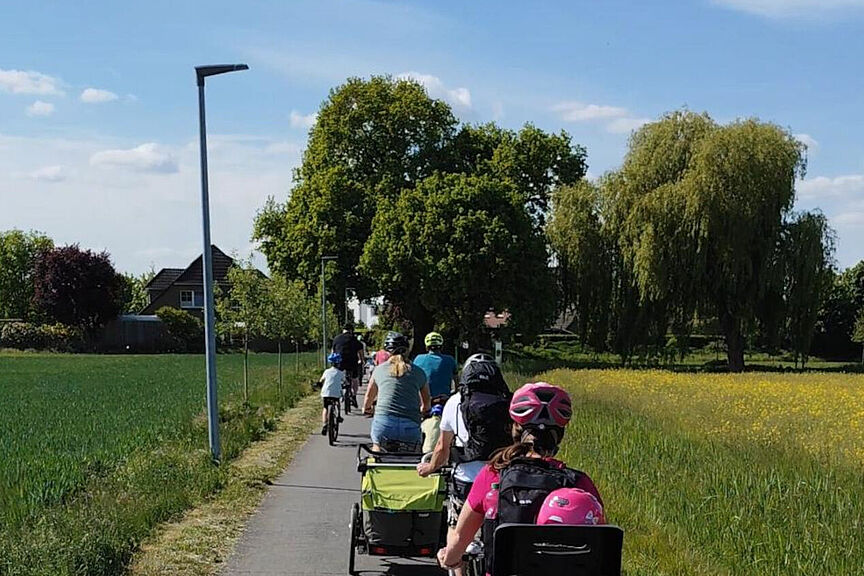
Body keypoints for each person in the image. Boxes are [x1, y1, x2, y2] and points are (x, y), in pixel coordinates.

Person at [436, 382, 603, 574]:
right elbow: (601, 548)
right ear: (560, 434)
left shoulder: (493, 475)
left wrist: (449, 558)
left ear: (515, 428)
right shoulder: (579, 483)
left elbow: (459, 539)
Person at [363, 331, 431, 452]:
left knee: (377, 449)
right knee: (414, 454)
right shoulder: (419, 372)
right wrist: (422, 411)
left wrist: (367, 409)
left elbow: (369, 397)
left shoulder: (379, 370)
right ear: (407, 350)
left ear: (387, 351)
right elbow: (426, 404)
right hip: (410, 426)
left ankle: (376, 455)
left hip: (384, 424)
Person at [413, 331, 457, 399]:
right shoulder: (450, 360)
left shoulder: (418, 359)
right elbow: (457, 383)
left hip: (425, 399)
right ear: (441, 347)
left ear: (426, 347)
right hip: (444, 399)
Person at [331, 323, 364, 404]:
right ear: (351, 330)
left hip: (339, 363)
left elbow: (332, 352)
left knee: (338, 378)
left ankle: (337, 394)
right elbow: (360, 351)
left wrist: (333, 362)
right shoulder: (354, 339)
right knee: (355, 379)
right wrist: (361, 360)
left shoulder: (336, 339)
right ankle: (354, 395)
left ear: (343, 330)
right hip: (352, 363)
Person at [318, 352, 345, 436]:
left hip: (326, 393)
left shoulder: (326, 371)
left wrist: (319, 384)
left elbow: (321, 380)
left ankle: (324, 424)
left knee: (325, 408)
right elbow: (345, 381)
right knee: (337, 403)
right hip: (336, 393)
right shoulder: (340, 373)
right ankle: (338, 416)